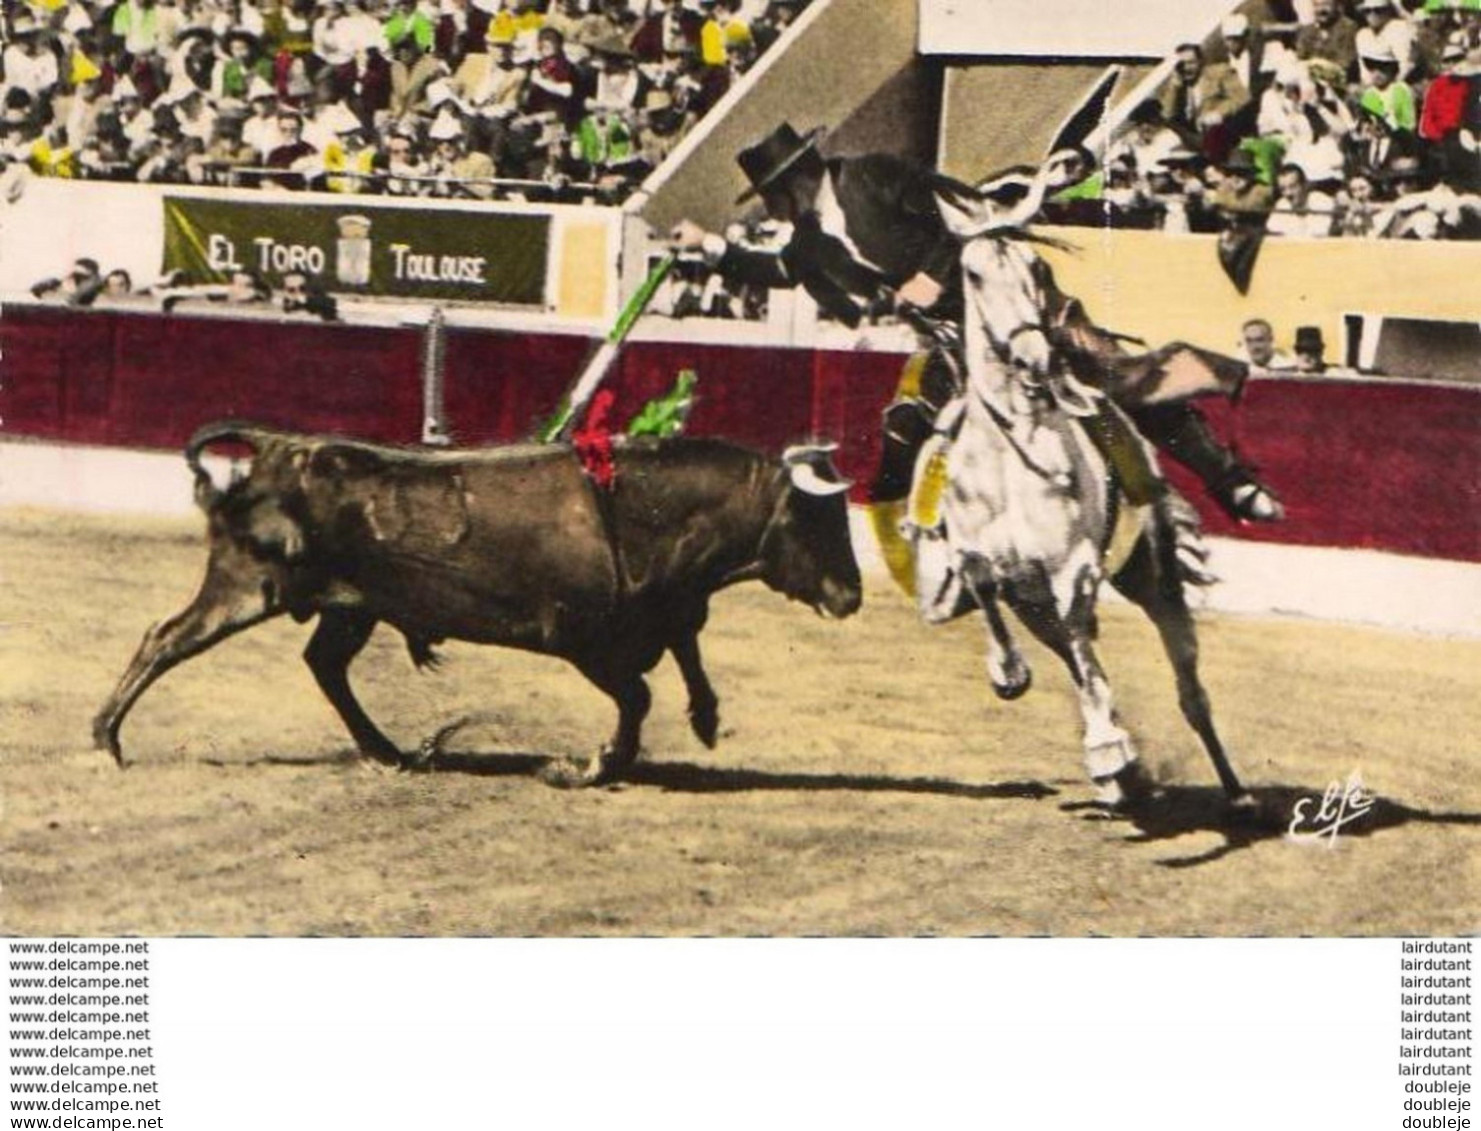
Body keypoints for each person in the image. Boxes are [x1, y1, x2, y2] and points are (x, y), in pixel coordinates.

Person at [668, 121, 1285, 532]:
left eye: (773, 195)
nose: (773, 209)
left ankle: (1227, 479)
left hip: (1010, 296)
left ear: (796, 181)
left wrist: (935, 274)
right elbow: (781, 268)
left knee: (1108, 373)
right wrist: (712, 249)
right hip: (952, 336)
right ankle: (937, 544)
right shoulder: (808, 238)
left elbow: (959, 213)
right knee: (909, 426)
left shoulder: (872, 176)